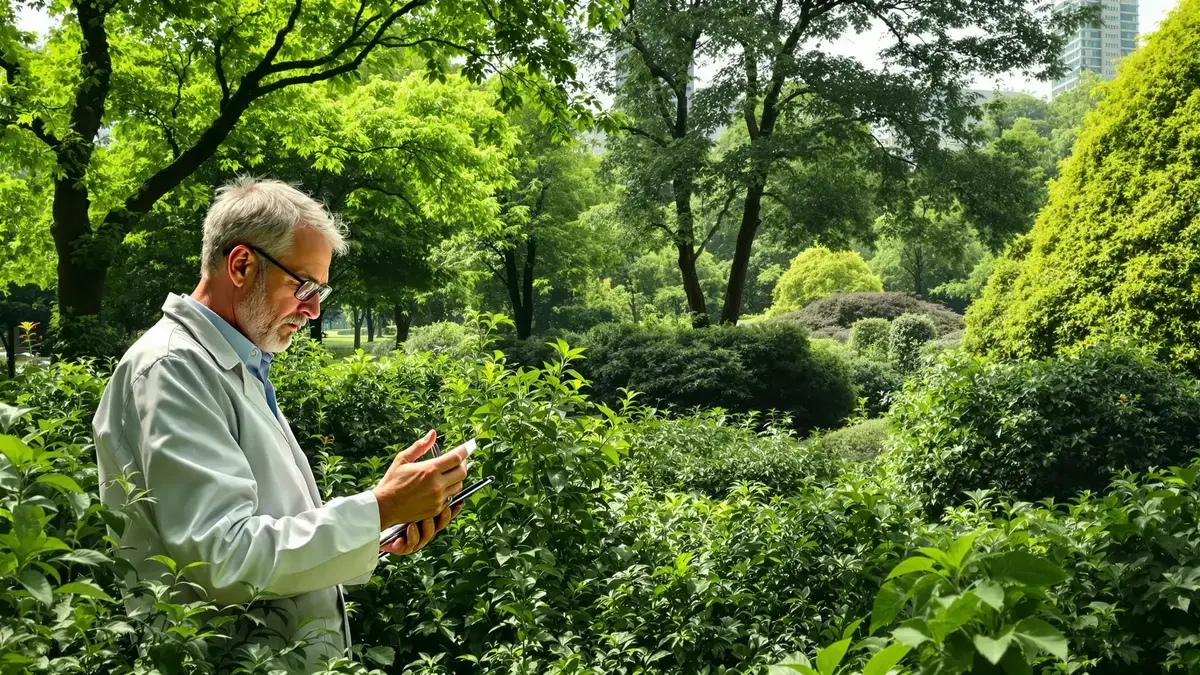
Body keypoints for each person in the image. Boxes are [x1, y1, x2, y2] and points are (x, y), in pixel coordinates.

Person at [92, 177, 468, 669]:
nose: (313, 311)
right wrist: (377, 509)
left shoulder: (235, 363)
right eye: (304, 285)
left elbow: (268, 527)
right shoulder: (172, 369)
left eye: (320, 292)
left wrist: (383, 524)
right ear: (242, 264)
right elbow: (220, 560)